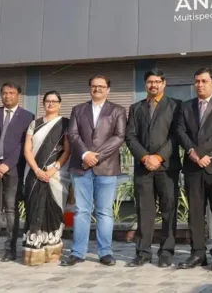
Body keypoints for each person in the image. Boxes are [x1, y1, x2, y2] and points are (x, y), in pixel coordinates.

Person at [62, 75, 127, 267]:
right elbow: (72, 134)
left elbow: (119, 136)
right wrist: (85, 155)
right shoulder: (78, 109)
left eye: (101, 86)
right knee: (81, 210)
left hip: (106, 168)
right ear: (89, 88)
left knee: (104, 212)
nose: (97, 89)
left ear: (108, 89)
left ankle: (105, 252)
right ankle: (77, 252)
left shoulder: (118, 110)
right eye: (94, 86)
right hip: (81, 166)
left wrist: (96, 156)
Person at [175, 67, 212, 272]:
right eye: (197, 81)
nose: (200, 84)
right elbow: (180, 131)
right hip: (193, 167)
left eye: (204, 81)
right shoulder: (185, 106)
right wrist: (193, 152)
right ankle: (198, 253)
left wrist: (200, 152)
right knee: (195, 213)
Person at [125, 70, 182, 268]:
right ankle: (143, 252)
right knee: (144, 211)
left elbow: (177, 135)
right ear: (145, 84)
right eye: (150, 82)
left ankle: (166, 252)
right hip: (143, 168)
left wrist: (158, 157)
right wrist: (144, 157)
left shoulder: (175, 106)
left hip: (167, 167)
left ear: (164, 84)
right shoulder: (135, 108)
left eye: (157, 82)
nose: (153, 85)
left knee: (169, 210)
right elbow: (130, 136)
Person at [0, 82, 35, 263]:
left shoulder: (27, 116)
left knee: (11, 210)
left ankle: (10, 249)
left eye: (11, 93)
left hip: (13, 170)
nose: (7, 96)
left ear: (19, 95)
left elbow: (24, 145)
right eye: (4, 93)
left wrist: (7, 164)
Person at [22, 91, 72, 266]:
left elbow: (67, 150)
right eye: (47, 101)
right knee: (34, 209)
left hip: (56, 175)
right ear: (43, 103)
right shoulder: (33, 124)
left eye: (54, 101)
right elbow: (27, 149)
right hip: (33, 174)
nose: (51, 104)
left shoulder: (65, 124)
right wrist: (36, 169)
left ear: (59, 104)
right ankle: (34, 252)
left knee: (53, 211)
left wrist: (54, 169)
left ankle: (52, 251)